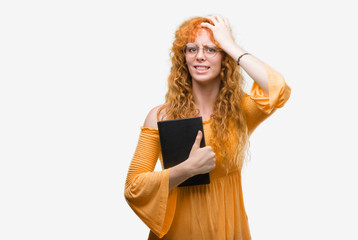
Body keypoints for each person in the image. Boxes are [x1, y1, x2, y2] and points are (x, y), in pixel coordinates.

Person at [124, 15, 291, 239]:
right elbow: (133, 189)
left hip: (228, 231)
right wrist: (187, 169)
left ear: (225, 57)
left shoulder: (239, 111)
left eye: (211, 49)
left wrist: (230, 44)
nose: (200, 56)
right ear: (183, 57)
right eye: (192, 49)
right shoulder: (160, 116)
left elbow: (278, 89)